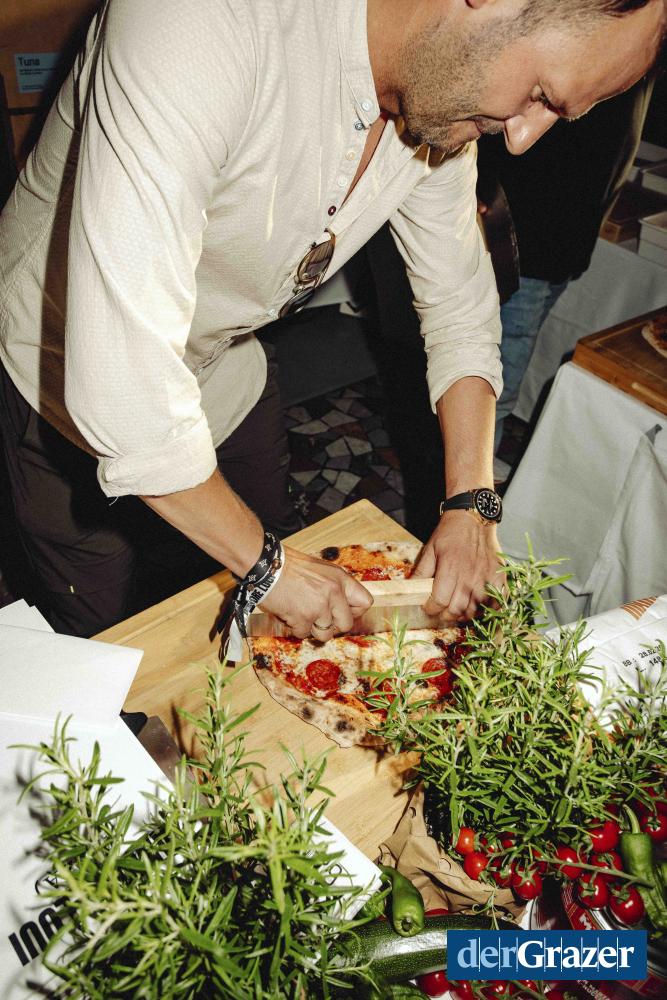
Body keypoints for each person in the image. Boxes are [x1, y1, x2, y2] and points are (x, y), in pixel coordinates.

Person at [0, 0, 664, 639]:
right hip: (57, 376)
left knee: (260, 606)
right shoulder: (197, 18)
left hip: (224, 365)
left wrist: (472, 503)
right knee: (120, 644)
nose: (521, 139)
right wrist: (266, 566)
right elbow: (123, 388)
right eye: (541, 93)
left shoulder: (442, 89)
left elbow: (461, 311)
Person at [475, 76, 657, 458]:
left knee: (498, 377)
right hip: (524, 239)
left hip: (564, 241)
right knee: (492, 389)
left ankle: (471, 470)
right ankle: (468, 483)